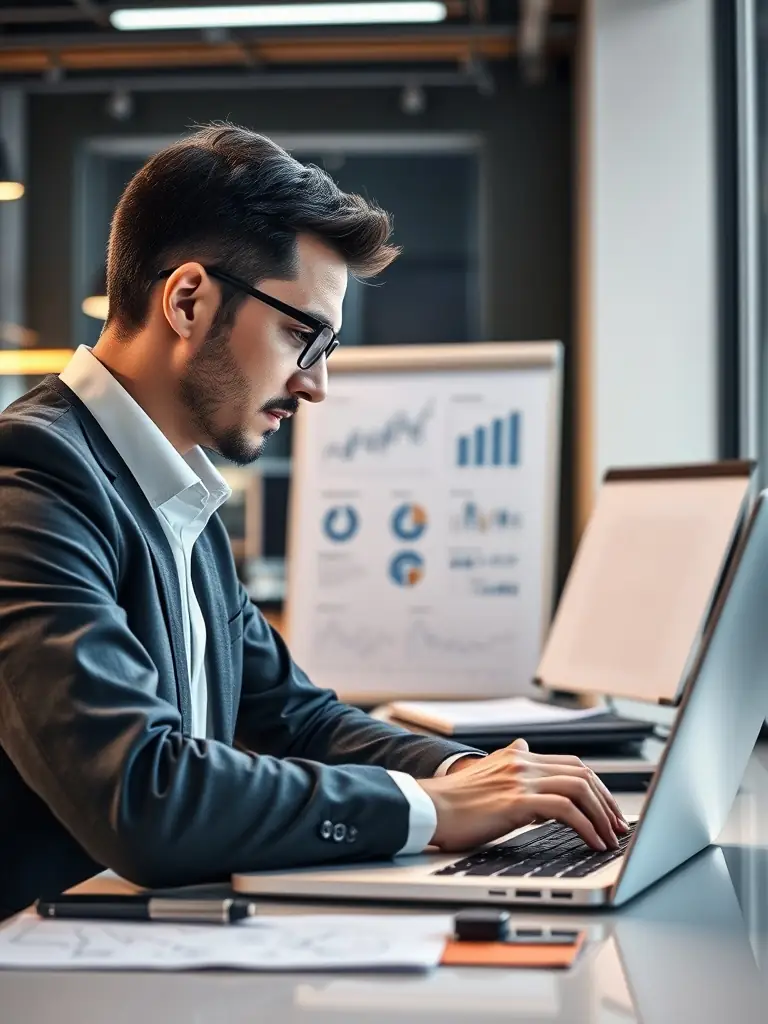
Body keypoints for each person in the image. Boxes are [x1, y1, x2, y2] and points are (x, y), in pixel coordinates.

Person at [0, 124, 627, 919]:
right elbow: (141, 794)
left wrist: (490, 779)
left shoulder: (169, 490)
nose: (317, 385)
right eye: (305, 336)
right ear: (187, 300)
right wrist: (433, 810)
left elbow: (298, 718)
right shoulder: (32, 476)